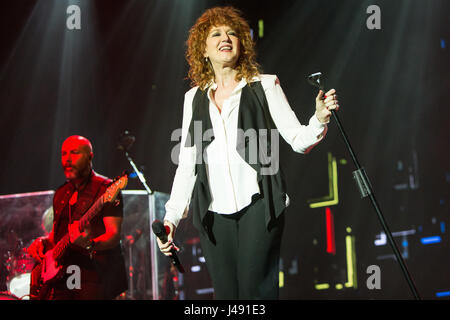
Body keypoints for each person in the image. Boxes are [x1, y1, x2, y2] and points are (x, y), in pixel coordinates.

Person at [157, 6, 340, 299]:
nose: (225, 37)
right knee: (226, 295)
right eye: (216, 33)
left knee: (256, 292)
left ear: (242, 44)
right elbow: (188, 164)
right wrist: (171, 219)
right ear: (203, 49)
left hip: (259, 204)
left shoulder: (264, 86)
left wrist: (318, 118)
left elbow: (297, 139)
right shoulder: (194, 99)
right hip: (213, 214)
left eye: (232, 33)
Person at [27, 135, 127, 299]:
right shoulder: (61, 193)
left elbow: (114, 235)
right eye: (64, 154)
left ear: (90, 156)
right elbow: (57, 236)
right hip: (62, 278)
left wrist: (89, 244)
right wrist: (43, 241)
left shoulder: (107, 188)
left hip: (93, 277)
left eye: (74, 153)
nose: (67, 159)